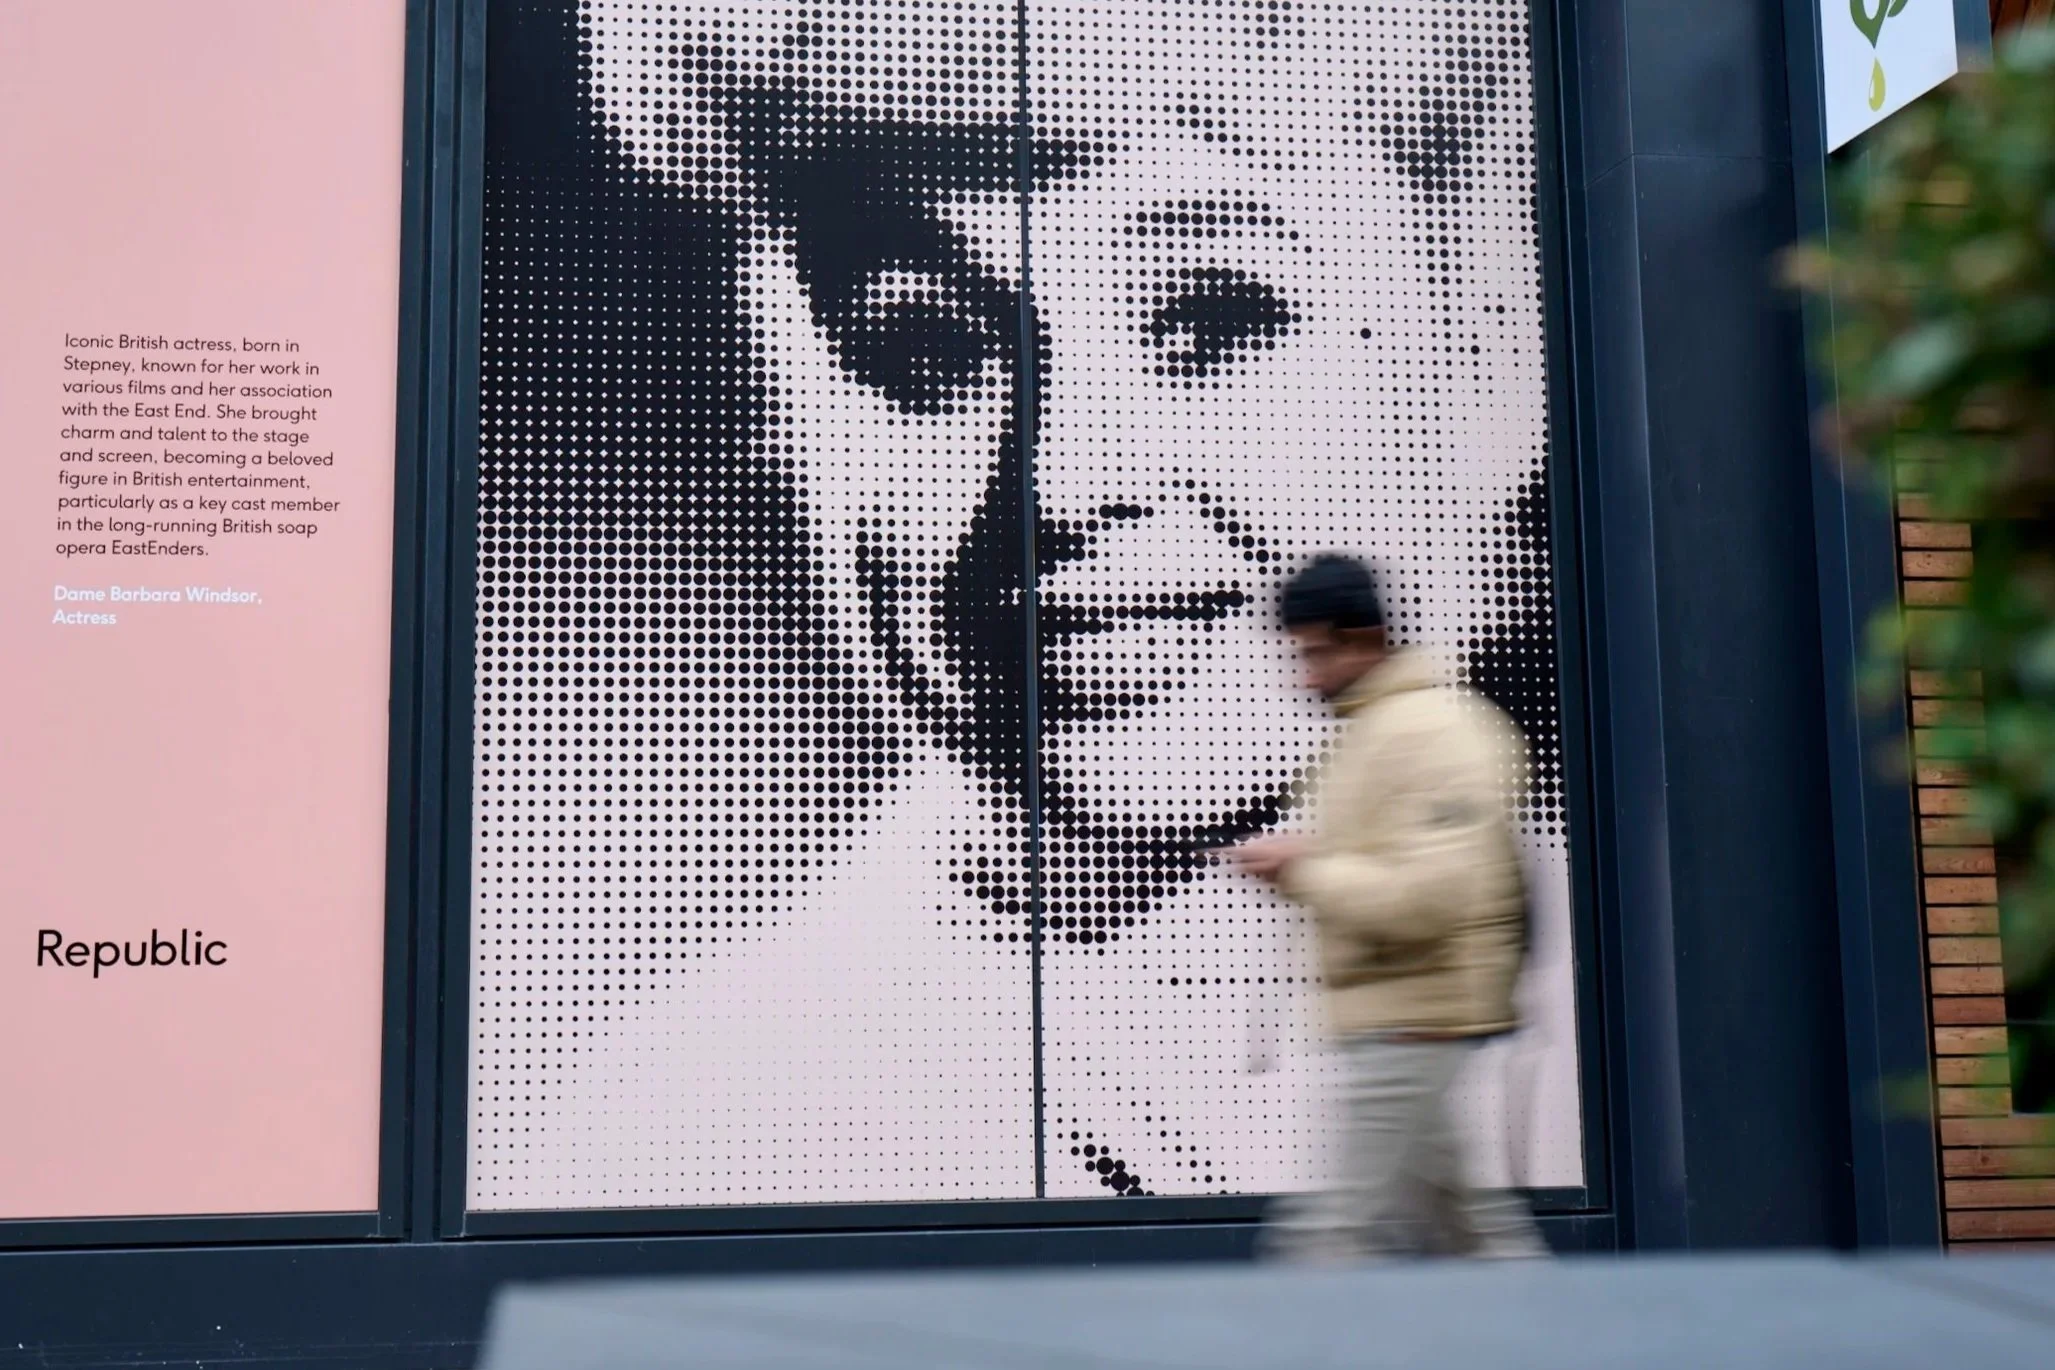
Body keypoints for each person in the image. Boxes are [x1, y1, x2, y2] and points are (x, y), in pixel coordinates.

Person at [464, 0, 1580, 1210]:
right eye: (925, 351)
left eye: (1212, 322)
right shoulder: (745, 1116)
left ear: (1496, 354)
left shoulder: (1621, 987)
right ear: (777, 412)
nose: (1062, 481)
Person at [1227, 553, 1548, 1259]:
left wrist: (1303, 867)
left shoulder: (1436, 732)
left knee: (1325, 1239)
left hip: (1415, 1021)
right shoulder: (1382, 728)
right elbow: (1386, 864)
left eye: (1314, 653)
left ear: (1365, 638)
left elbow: (1428, 899)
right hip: (1397, 1017)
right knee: (1474, 1238)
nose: (1303, 675)